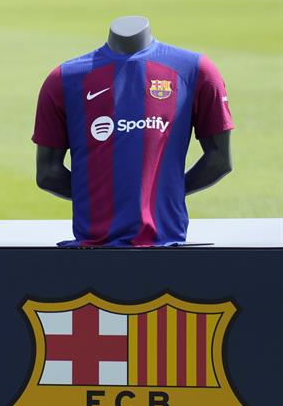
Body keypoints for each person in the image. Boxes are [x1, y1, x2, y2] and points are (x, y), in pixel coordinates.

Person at [33, 16, 234, 247]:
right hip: (117, 247)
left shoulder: (195, 71)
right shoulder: (63, 79)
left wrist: (162, 196)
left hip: (147, 244)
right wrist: (155, 198)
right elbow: (48, 173)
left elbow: (220, 160)